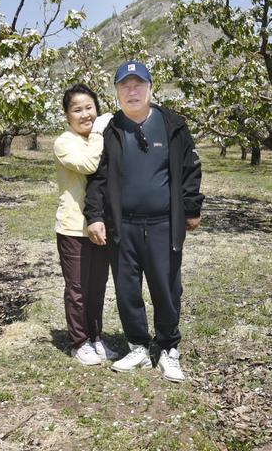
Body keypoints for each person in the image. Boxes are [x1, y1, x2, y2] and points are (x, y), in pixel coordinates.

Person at [84, 61, 204, 382]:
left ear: (151, 88)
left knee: (166, 287)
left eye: (138, 84)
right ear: (117, 93)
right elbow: (98, 177)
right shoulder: (110, 131)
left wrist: (191, 208)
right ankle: (137, 344)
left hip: (164, 224)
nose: (132, 91)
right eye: (125, 85)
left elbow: (190, 169)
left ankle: (168, 348)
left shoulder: (172, 125)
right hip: (123, 226)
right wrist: (95, 216)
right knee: (127, 289)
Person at [53, 83, 117, 366]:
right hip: (73, 228)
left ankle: (95, 337)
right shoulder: (65, 142)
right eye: (77, 109)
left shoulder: (95, 137)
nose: (85, 114)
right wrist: (101, 132)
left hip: (100, 225)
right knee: (77, 288)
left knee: (97, 287)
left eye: (89, 108)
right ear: (67, 115)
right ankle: (78, 342)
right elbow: (90, 165)